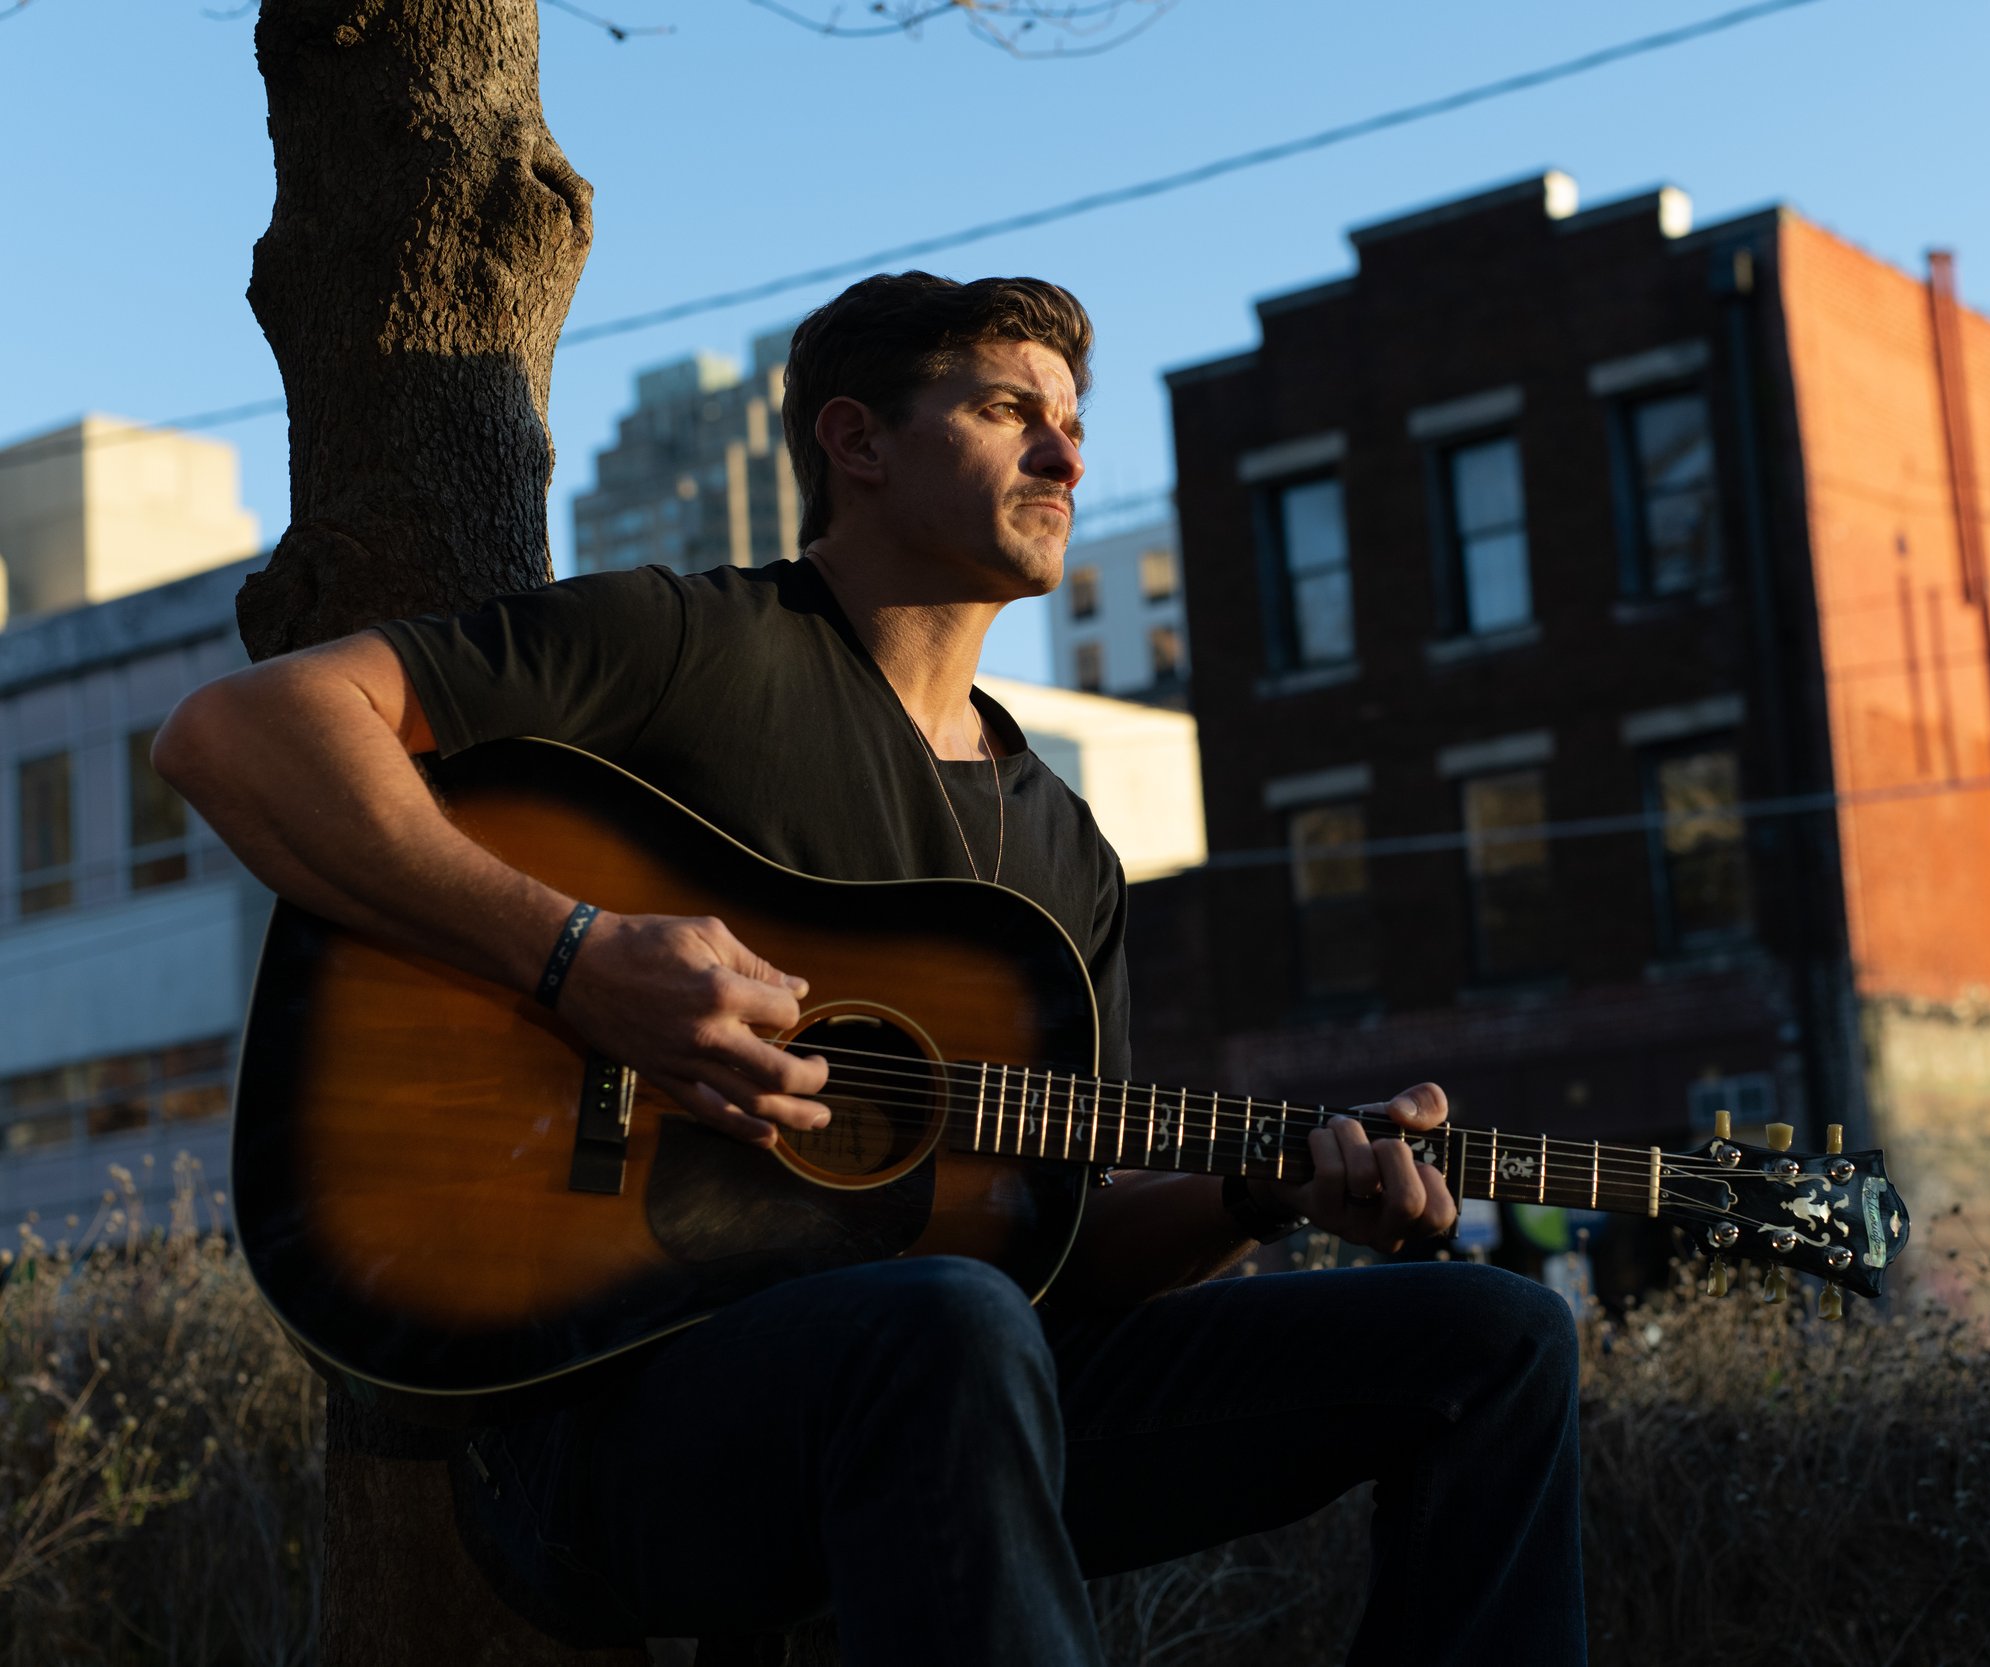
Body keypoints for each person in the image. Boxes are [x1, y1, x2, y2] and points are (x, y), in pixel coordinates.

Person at [155, 272, 1585, 1665]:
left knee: (1496, 1339)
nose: (1069, 452)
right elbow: (240, 734)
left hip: (966, 1388)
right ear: (857, 443)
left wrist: (1258, 1193)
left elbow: (1061, 1244)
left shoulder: (1064, 850)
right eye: (1009, 407)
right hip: (608, 1425)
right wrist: (577, 959)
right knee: (946, 1322)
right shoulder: (689, 644)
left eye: (1074, 420)